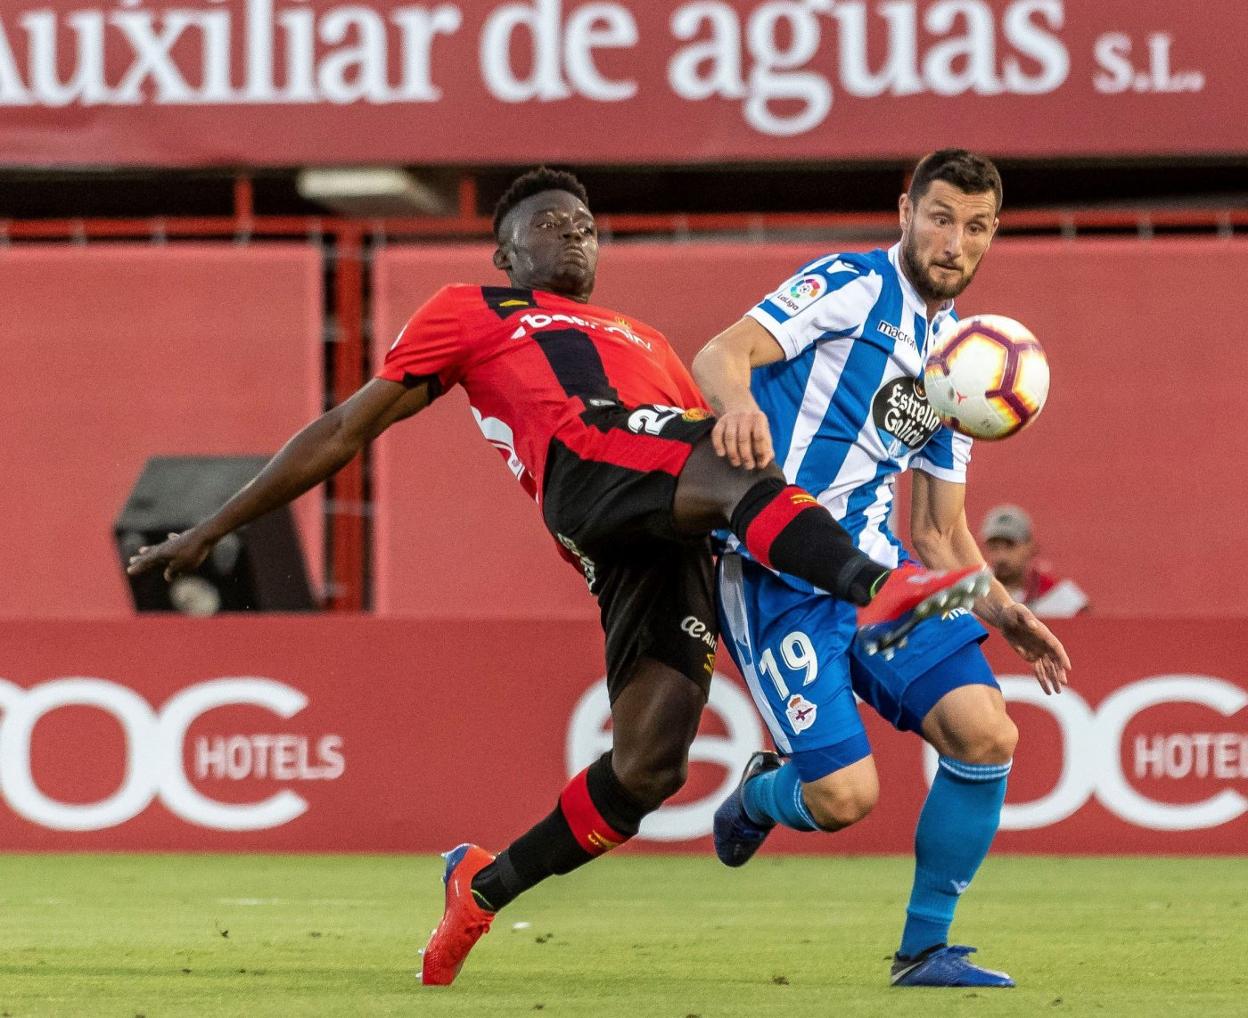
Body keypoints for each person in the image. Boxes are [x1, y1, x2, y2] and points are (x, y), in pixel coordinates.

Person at [126, 167, 986, 987]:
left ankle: (482, 889)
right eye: (547, 225)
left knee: (651, 768)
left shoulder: (642, 336)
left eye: (583, 226)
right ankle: (880, 587)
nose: (572, 236)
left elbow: (699, 465)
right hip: (589, 467)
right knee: (735, 464)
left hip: (653, 530)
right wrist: (210, 529)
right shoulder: (470, 309)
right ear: (504, 254)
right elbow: (343, 428)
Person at [692, 149, 1072, 988]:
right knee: (843, 801)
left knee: (987, 734)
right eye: (940, 217)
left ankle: (924, 950)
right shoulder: (850, 285)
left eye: (976, 227)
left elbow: (940, 530)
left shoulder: (964, 364)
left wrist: (1007, 616)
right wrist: (743, 404)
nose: (955, 242)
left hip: (882, 573)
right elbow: (719, 354)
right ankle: (761, 795)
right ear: (906, 211)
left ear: (992, 235)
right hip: (775, 571)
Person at [981, 504, 1089, 617]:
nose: (1001, 556)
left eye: (1010, 545)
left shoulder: (1060, 597)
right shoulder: (970, 595)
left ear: (1030, 545)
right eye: (993, 547)